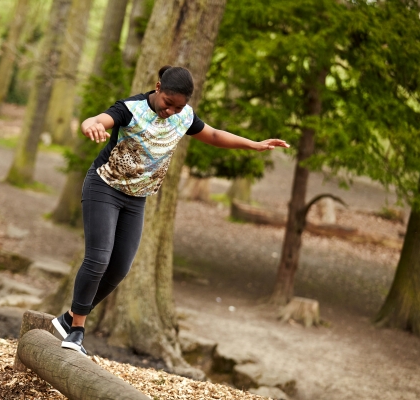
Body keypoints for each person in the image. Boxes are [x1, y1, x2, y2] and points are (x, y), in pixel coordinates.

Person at [52, 66, 289, 355]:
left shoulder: (184, 115)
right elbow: (100, 119)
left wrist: (254, 145)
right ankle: (76, 330)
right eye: (168, 103)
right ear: (157, 87)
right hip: (105, 186)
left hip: (137, 198)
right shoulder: (131, 109)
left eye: (179, 106)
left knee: (120, 268)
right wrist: (90, 123)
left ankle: (68, 319)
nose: (171, 112)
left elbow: (213, 135)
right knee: (99, 258)